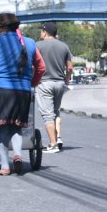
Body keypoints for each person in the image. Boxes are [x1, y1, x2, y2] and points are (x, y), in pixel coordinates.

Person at [0, 12, 45, 176]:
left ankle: (5, 166)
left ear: (2, 28)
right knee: (16, 127)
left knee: (0, 129)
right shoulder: (30, 43)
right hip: (22, 91)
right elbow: (41, 67)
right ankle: (18, 155)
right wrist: (32, 83)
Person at [35, 21, 73, 152]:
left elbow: (33, 66)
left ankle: (53, 144)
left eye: (41, 31)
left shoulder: (37, 46)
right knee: (56, 111)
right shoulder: (64, 46)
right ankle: (58, 138)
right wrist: (67, 79)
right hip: (60, 83)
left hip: (44, 83)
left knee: (48, 115)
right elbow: (70, 67)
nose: (40, 33)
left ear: (45, 32)